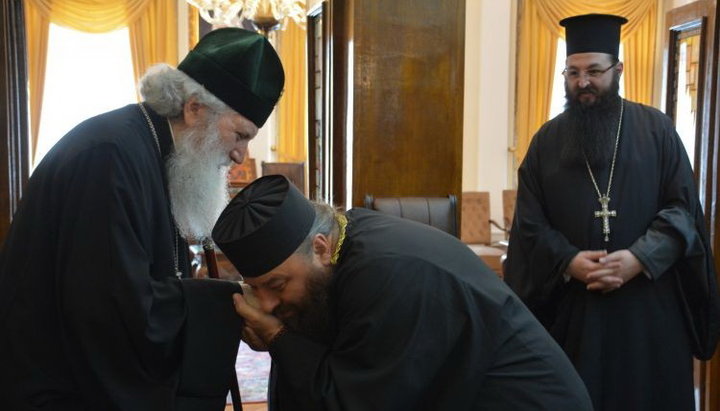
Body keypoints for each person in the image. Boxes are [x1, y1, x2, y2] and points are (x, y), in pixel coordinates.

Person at [0, 28, 284, 410]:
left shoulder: (155, 150)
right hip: (57, 390)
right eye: (240, 135)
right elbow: (110, 312)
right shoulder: (109, 158)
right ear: (195, 108)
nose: (240, 156)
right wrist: (228, 304)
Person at [211, 175, 593, 410]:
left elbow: (357, 403)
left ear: (321, 248)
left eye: (277, 286)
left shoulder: (386, 277)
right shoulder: (345, 238)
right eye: (255, 289)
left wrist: (278, 337)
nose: (267, 303)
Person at [504, 13, 720, 411]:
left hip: (649, 312)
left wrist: (640, 258)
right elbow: (530, 225)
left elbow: (682, 208)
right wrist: (569, 261)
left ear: (617, 69)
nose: (582, 82)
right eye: (572, 72)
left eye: (593, 71)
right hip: (573, 313)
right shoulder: (546, 142)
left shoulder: (657, 131)